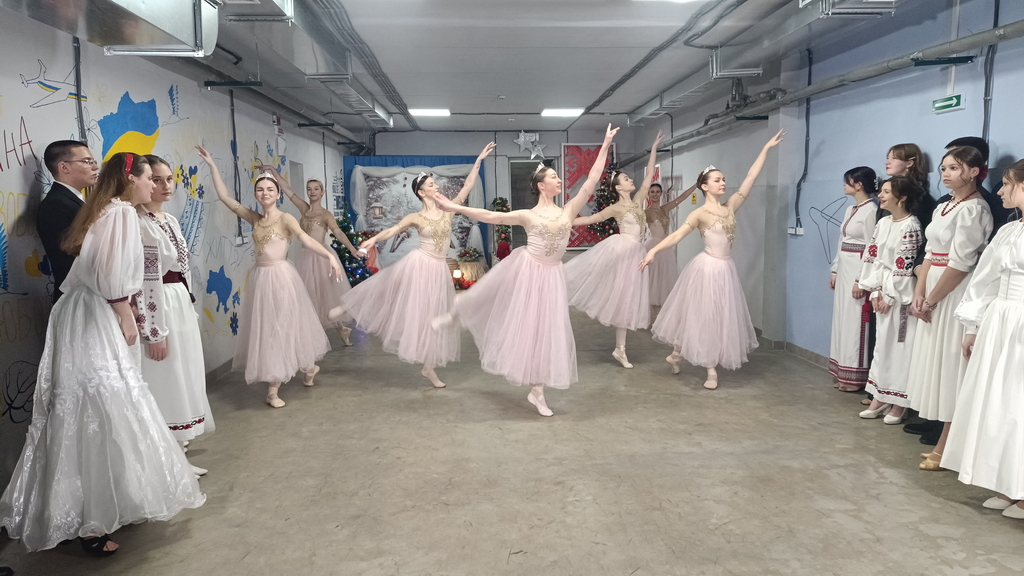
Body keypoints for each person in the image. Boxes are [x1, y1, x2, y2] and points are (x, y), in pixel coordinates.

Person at [0, 153, 205, 555]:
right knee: (99, 406)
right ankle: (90, 518)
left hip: (81, 311)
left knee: (90, 407)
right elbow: (109, 275)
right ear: (131, 179)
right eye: (149, 179)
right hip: (97, 313)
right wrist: (126, 313)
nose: (153, 186)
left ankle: (97, 504)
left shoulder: (105, 210)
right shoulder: (122, 213)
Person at [432, 126, 619, 416]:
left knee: (545, 331)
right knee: (490, 295)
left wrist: (605, 145)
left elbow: (591, 181)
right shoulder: (527, 215)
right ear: (541, 185)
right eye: (554, 177)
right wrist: (454, 208)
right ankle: (455, 313)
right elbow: (490, 216)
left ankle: (537, 391)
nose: (559, 180)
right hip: (529, 270)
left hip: (552, 276)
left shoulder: (568, 210)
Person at [336, 142, 494, 388]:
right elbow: (392, 231)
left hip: (438, 269)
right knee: (389, 290)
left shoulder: (447, 211)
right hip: (420, 265)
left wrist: (478, 161)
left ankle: (428, 367)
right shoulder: (415, 217)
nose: (436, 186)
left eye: (435, 183)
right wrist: (374, 239)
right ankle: (347, 308)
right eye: (431, 184)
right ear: (421, 192)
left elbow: (467, 187)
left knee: (433, 316)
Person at [197, 146, 342, 408]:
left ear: (277, 194)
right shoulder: (254, 219)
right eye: (261, 190)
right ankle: (304, 369)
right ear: (256, 193)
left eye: (270, 190)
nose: (265, 193)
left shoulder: (286, 218)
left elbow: (307, 239)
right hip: (261, 279)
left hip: (282, 278)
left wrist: (329, 256)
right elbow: (225, 197)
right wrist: (212, 166)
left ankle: (276, 387)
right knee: (267, 328)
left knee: (283, 326)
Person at [641, 130, 785, 389]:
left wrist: (765, 149)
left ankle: (676, 354)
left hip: (726, 269)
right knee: (704, 316)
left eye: (724, 179)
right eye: (717, 180)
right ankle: (710, 371)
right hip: (706, 269)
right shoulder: (699, 214)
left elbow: (750, 178)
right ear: (705, 186)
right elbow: (676, 236)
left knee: (719, 317)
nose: (723, 183)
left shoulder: (730, 207)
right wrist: (652, 251)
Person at [941, 159, 1024, 518]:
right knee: (998, 403)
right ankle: (1008, 483)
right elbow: (985, 280)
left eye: (1008, 183)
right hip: (1000, 321)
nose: (1001, 191)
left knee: (1019, 404)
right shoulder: (1009, 231)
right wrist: (973, 327)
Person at [906, 146, 993, 471]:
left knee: (952, 368)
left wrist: (931, 299)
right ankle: (944, 442)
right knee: (937, 364)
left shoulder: (975, 209)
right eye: (943, 168)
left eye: (954, 168)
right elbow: (930, 253)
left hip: (954, 292)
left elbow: (960, 264)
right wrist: (919, 293)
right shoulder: (945, 206)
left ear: (974, 172)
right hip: (933, 286)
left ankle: (948, 447)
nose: (946, 173)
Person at [137, 155, 214, 474]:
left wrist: (188, 303)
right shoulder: (138, 221)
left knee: (185, 372)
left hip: (178, 301)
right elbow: (144, 280)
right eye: (156, 179)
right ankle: (165, 459)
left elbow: (182, 268)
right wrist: (153, 330)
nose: (165, 185)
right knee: (165, 376)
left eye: (169, 179)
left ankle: (179, 452)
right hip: (160, 304)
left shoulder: (168, 219)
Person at [565, 131, 664, 368]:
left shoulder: (638, 200)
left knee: (629, 301)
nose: (631, 180)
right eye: (626, 179)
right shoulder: (616, 208)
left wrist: (653, 148)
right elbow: (591, 219)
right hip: (623, 252)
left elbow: (649, 176)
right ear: (619, 188)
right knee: (623, 300)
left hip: (637, 253)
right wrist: (564, 221)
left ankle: (620, 349)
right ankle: (620, 349)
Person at [856, 177, 934, 423]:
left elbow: (906, 266)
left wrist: (890, 295)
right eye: (881, 191)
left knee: (900, 348)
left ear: (902, 197)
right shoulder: (883, 223)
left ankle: (899, 402)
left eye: (887, 192)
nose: (881, 195)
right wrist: (875, 291)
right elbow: (873, 258)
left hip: (901, 295)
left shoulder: (911, 225)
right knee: (882, 347)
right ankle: (880, 396)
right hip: (883, 290)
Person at [270, 169, 363, 346]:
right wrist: (273, 171)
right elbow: (288, 189)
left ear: (322, 192)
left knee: (323, 299)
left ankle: (326, 335)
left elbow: (338, 232)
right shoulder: (304, 209)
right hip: (305, 257)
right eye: (309, 189)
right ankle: (335, 332)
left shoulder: (326, 215)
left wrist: (352, 249)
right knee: (308, 297)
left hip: (321, 259)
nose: (312, 192)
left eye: (316, 189)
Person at [828, 167, 878, 392]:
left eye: (847, 181)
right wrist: (835, 270)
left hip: (858, 268)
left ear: (859, 184)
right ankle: (841, 370)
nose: (844, 185)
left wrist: (861, 280)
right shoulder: (850, 209)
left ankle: (854, 376)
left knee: (855, 321)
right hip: (845, 268)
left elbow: (871, 248)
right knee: (842, 319)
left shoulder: (871, 211)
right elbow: (842, 241)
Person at [36, 140, 98, 302]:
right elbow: (71, 258)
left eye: (93, 161)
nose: (95, 167)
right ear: (64, 167)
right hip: (76, 298)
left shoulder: (73, 201)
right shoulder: (56, 204)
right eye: (87, 161)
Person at [645, 181, 698, 316]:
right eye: (652, 192)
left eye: (657, 192)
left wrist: (695, 185)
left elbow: (682, 197)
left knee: (665, 278)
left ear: (661, 193)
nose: (655, 194)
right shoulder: (646, 212)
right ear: (648, 194)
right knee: (653, 279)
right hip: (653, 247)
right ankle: (653, 312)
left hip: (666, 248)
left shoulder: (665, 209)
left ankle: (663, 313)